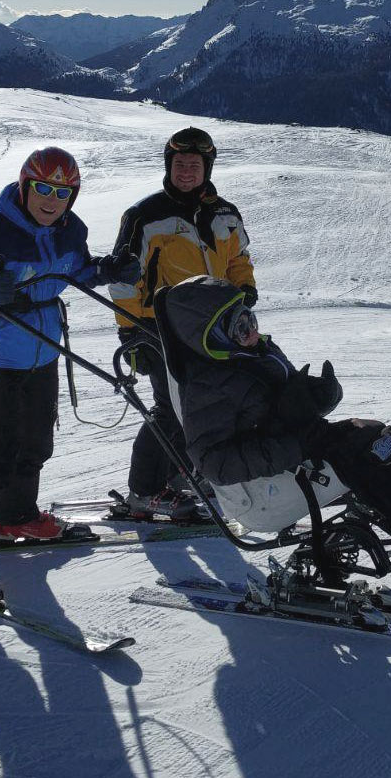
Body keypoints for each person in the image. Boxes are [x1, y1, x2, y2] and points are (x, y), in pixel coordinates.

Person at [162, 274, 391, 571]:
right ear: (210, 336)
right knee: (361, 455)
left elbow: (284, 407)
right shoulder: (208, 387)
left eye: (251, 320)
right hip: (255, 497)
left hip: (284, 459)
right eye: (241, 328)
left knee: (375, 436)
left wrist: (321, 397)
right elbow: (216, 463)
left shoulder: (251, 355)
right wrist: (299, 442)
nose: (253, 332)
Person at [0, 146, 140, 596]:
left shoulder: (71, 230)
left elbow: (76, 272)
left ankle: (15, 517)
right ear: (26, 187)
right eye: (43, 188)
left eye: (63, 191)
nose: (52, 199)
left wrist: (108, 269)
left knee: (35, 445)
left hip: (44, 352)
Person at [108, 126, 257, 519]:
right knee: (169, 408)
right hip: (160, 328)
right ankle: (143, 490)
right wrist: (130, 331)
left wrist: (245, 291)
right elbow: (124, 278)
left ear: (207, 167)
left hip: (215, 326)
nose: (187, 172)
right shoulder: (146, 215)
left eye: (194, 164)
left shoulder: (225, 213)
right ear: (168, 166)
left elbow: (239, 258)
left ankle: (180, 473)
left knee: (208, 404)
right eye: (179, 164)